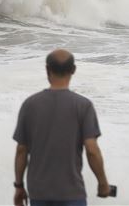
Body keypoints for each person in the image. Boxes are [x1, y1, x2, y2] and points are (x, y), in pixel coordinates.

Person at [12, 49, 110, 206]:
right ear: (73, 70)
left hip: (39, 193)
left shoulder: (30, 104)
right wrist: (103, 183)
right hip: (71, 193)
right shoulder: (83, 106)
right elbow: (91, 150)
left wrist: (19, 186)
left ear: (47, 69)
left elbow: (21, 150)